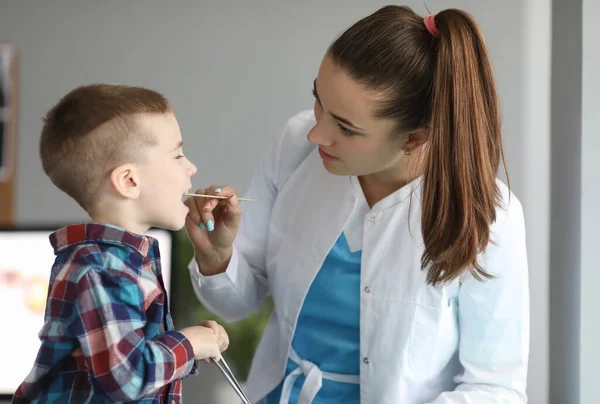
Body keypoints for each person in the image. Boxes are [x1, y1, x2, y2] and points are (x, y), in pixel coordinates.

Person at [185, 5, 529, 404]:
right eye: (319, 102)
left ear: (415, 138)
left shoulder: (488, 216)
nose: (317, 134)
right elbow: (237, 302)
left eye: (345, 128)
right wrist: (218, 258)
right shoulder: (294, 146)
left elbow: (496, 387)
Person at [13, 84, 229, 403]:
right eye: (178, 155)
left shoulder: (123, 261)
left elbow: (130, 356)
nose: (191, 167)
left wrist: (194, 343)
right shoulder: (97, 266)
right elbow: (128, 378)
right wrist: (190, 343)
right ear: (129, 181)